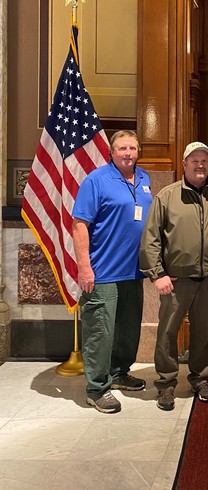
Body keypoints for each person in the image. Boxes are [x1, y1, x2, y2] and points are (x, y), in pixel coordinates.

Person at [139, 141, 208, 411]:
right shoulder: (166, 197)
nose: (200, 165)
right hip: (175, 281)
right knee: (167, 333)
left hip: (207, 281)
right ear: (184, 164)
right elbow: (151, 239)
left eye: (204, 160)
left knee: (203, 332)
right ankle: (166, 383)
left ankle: (200, 378)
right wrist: (157, 274)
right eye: (194, 160)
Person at [72, 130, 153, 413]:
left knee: (127, 330)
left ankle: (119, 373)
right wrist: (85, 268)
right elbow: (80, 224)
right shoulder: (96, 180)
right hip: (103, 272)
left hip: (134, 271)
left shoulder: (144, 179)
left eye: (132, 148)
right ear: (111, 152)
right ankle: (97, 388)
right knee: (100, 332)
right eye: (122, 148)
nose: (128, 153)